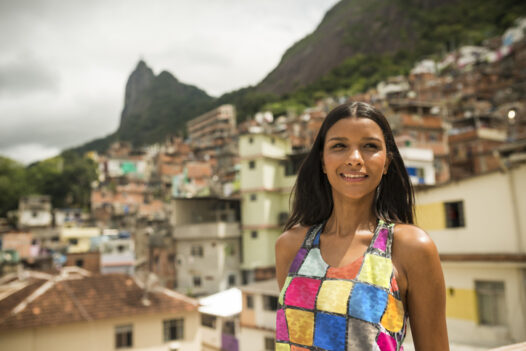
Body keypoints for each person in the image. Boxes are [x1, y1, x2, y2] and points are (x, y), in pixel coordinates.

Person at [275, 102, 449, 351]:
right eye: (339, 146)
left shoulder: (411, 247)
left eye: (370, 146)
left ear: (387, 162)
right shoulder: (290, 246)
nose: (354, 159)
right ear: (323, 161)